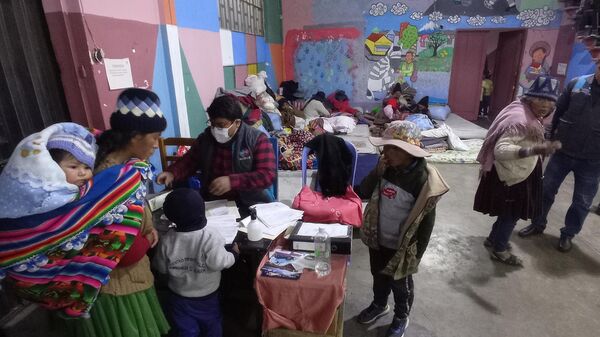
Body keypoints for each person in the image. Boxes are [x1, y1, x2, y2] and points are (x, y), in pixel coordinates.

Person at [64, 88, 170, 336]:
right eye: (154, 137)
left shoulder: (122, 165)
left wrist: (148, 227)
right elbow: (113, 245)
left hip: (125, 275)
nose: (156, 145)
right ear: (135, 136)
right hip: (116, 282)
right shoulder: (109, 178)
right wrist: (145, 241)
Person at [356, 121, 449, 337]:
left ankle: (401, 316)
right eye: (386, 146)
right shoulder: (386, 167)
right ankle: (380, 304)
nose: (387, 152)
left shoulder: (422, 179)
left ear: (411, 152)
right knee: (378, 276)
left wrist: (417, 255)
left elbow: (426, 222)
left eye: (395, 148)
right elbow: (363, 191)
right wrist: (377, 173)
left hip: (403, 247)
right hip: (378, 239)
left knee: (401, 285)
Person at [474, 76, 561, 266]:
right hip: (512, 178)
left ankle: (492, 239)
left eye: (550, 101)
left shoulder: (524, 110)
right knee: (511, 215)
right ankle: (500, 249)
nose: (545, 105)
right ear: (530, 98)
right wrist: (533, 150)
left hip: (517, 173)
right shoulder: (521, 120)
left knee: (507, 212)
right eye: (540, 99)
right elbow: (501, 150)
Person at [518, 63, 600, 252]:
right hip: (562, 151)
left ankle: (568, 234)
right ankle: (537, 224)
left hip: (593, 159)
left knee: (582, 202)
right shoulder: (577, 84)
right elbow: (558, 112)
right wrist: (548, 139)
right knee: (545, 190)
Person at [157, 95, 276, 217]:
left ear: (237, 123)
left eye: (221, 125)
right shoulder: (206, 139)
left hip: (251, 204)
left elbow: (267, 175)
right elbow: (189, 161)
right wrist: (172, 173)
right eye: (212, 123)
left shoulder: (256, 139)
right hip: (215, 203)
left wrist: (232, 181)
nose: (215, 129)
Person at [154, 188, 239, 337]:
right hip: (207, 297)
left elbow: (161, 267)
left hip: (178, 296)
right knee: (211, 326)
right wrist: (234, 254)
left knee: (185, 329)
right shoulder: (210, 235)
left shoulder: (167, 240)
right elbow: (218, 262)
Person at [0, 122, 96, 219]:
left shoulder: (89, 186)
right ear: (53, 167)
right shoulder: (43, 191)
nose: (83, 173)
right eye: (74, 167)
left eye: (87, 167)